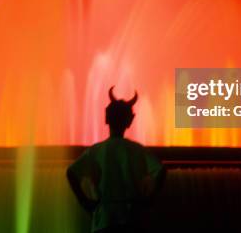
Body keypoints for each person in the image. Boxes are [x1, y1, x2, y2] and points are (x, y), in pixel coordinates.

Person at [67, 86, 166, 233]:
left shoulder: (96, 151)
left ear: (106, 118)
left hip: (104, 219)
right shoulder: (137, 150)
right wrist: (148, 200)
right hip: (131, 218)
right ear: (130, 121)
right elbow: (161, 170)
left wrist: (85, 202)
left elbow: (71, 173)